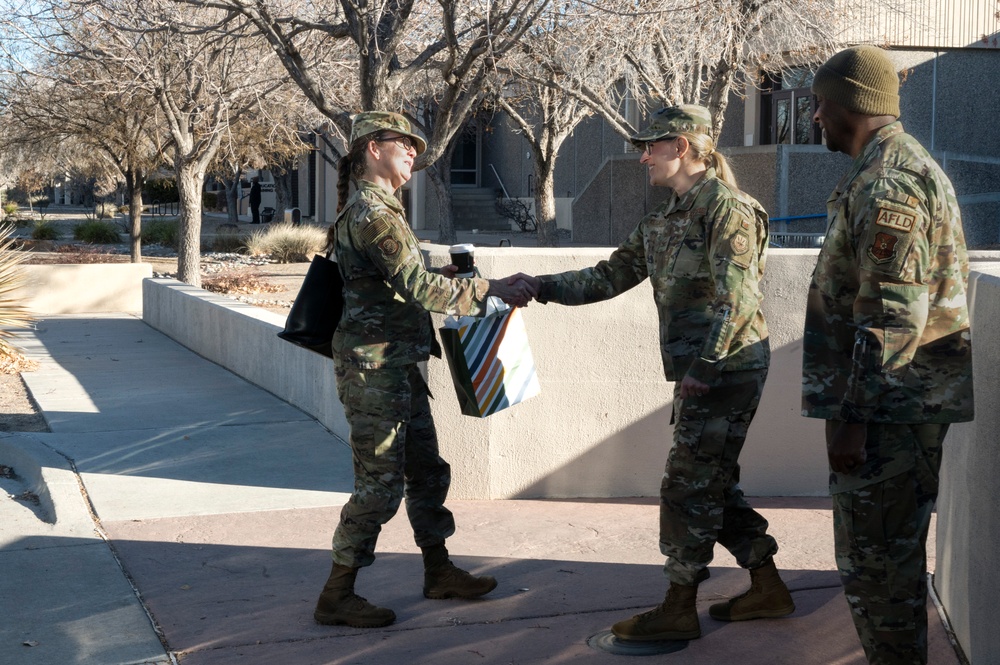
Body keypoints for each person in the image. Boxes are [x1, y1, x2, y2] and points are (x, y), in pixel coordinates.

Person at [511, 105, 794, 642]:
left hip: (727, 367)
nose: (643, 156)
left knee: (686, 485)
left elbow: (738, 299)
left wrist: (705, 366)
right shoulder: (664, 220)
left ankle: (679, 605)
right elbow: (608, 276)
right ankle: (767, 584)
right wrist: (538, 285)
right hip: (704, 371)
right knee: (711, 479)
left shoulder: (728, 210)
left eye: (652, 146)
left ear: (683, 147)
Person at [314, 111, 534, 629]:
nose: (414, 151)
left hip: (394, 363)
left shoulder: (381, 210)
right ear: (372, 148)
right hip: (374, 369)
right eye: (403, 143)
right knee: (379, 485)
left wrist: (445, 274)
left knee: (427, 471)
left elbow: (398, 281)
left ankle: (439, 571)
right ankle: (336, 594)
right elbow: (423, 292)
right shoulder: (374, 214)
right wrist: (490, 288)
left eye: (416, 145)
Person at [803, 45, 974, 665]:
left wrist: (853, 419)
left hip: (888, 416)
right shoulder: (885, 169)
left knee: (881, 576)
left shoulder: (890, 180)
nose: (816, 116)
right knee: (880, 570)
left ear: (851, 104)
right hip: (893, 410)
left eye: (821, 102)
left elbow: (892, 316)